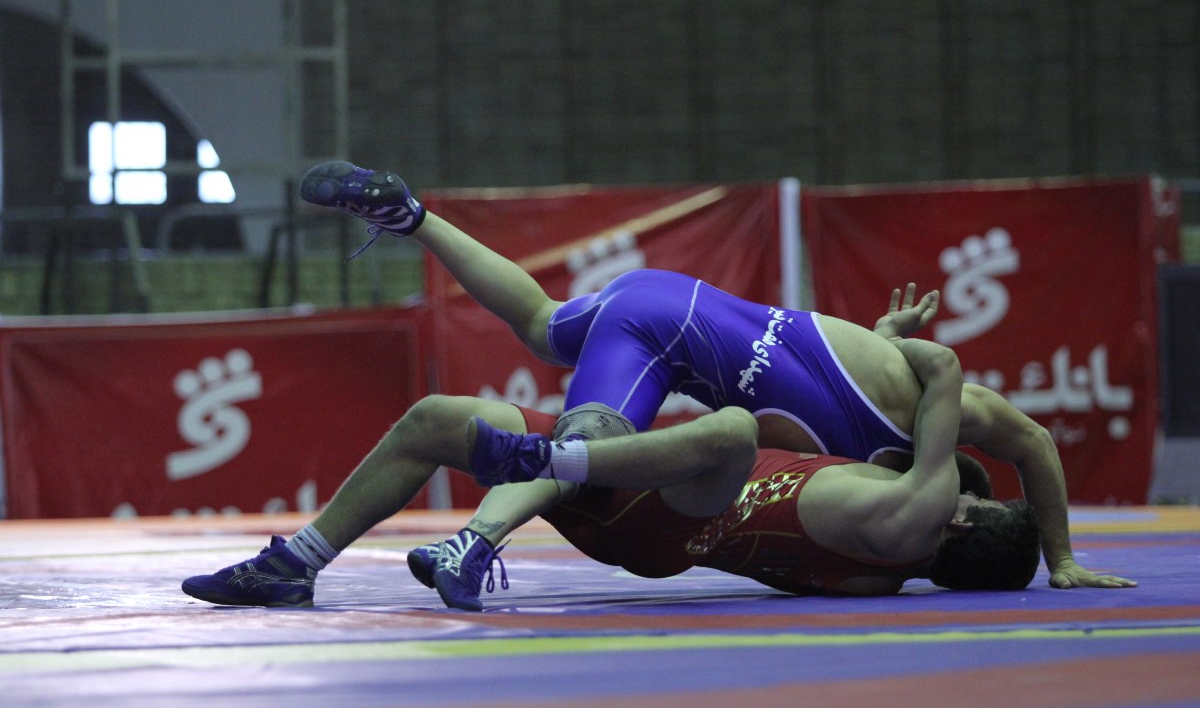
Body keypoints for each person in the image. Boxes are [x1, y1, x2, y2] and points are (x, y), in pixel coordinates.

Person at [295, 161, 1135, 591]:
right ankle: (478, 538)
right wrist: (1059, 559)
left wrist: (888, 340)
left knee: (545, 326)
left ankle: (415, 218)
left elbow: (1010, 437)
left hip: (675, 304)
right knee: (584, 447)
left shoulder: (899, 409)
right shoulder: (927, 444)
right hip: (668, 337)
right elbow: (1027, 438)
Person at [182, 336, 1039, 610]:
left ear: (963, 517)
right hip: (646, 507)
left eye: (969, 497)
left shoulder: (912, 519)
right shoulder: (889, 538)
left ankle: (526, 488)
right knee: (434, 421)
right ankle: (298, 562)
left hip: (673, 516)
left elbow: (943, 368)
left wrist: (889, 350)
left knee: (732, 429)